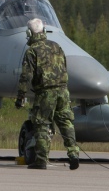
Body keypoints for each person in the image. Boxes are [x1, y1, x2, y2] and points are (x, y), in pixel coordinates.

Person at [15, 18, 80, 170]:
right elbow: (64, 67)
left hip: (45, 93)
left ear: (29, 33)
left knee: (42, 125)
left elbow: (26, 76)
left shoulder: (32, 51)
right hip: (63, 91)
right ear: (44, 31)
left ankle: (41, 160)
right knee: (66, 123)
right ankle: (73, 155)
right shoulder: (57, 46)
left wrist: (20, 97)